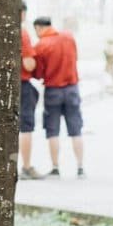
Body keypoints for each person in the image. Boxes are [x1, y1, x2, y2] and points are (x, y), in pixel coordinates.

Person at [32, 16, 85, 179]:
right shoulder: (69, 37)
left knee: (52, 130)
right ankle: (80, 167)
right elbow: (75, 58)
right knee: (76, 129)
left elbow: (39, 72)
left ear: (39, 28)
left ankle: (55, 167)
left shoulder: (41, 45)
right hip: (72, 89)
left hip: (53, 90)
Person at [19, 0, 43, 179]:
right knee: (26, 127)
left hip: (3, 86)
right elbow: (28, 64)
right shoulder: (22, 33)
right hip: (22, 85)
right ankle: (26, 166)